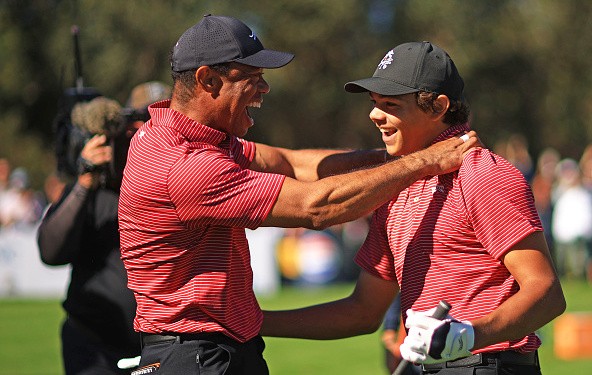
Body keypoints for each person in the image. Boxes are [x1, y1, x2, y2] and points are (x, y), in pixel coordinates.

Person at [118, 15, 478, 375]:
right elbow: (317, 207)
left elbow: (292, 163)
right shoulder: (185, 165)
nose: (265, 89)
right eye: (252, 78)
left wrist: (393, 157)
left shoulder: (199, 141)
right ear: (207, 80)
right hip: (196, 356)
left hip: (208, 349)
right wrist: (424, 161)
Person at [261, 41, 566, 375]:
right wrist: (251, 321)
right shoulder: (396, 185)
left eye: (390, 104)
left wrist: (468, 335)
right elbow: (363, 310)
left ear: (438, 107)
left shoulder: (482, 175)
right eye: (374, 103)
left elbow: (547, 293)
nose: (374, 115)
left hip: (489, 365)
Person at [37, 83, 171, 375]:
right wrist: (86, 179)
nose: (146, 134)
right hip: (93, 348)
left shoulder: (179, 184)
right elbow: (50, 251)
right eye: (137, 125)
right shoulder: (94, 185)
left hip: (163, 348)